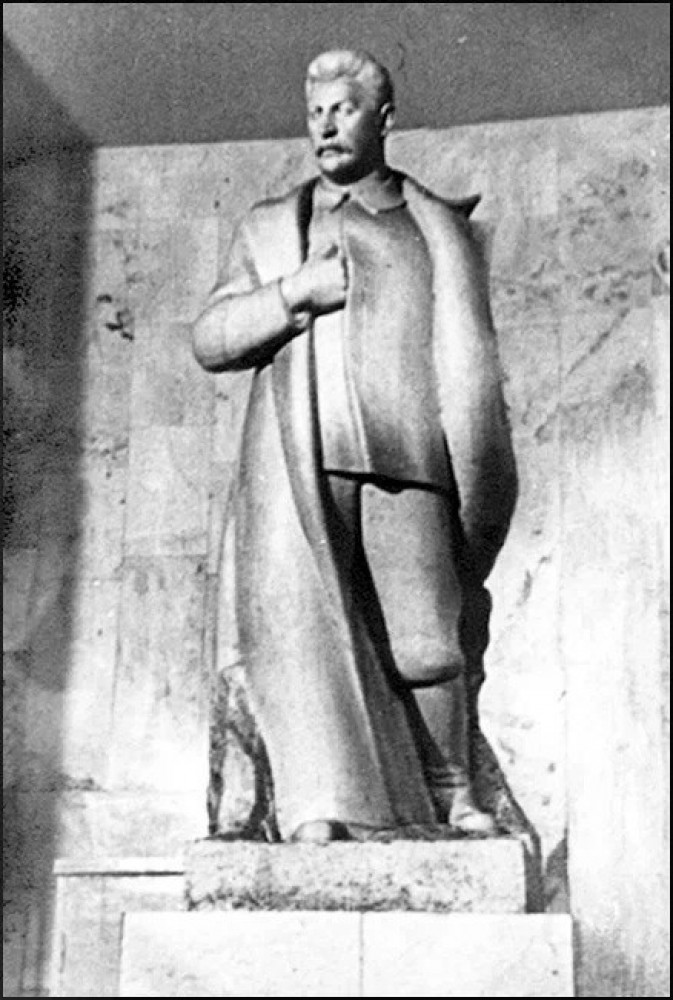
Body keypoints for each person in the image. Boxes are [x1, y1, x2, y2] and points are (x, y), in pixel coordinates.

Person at [193, 50, 517, 845]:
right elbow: (210, 337)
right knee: (300, 636)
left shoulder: (432, 226)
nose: (325, 126)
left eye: (342, 109)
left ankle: (451, 793)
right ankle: (320, 803)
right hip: (298, 459)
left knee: (427, 641)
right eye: (315, 113)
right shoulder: (273, 226)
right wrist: (292, 293)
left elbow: (467, 363)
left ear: (383, 118)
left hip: (409, 454)